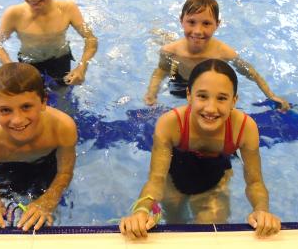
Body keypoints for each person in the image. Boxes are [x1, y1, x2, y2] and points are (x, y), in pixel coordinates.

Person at [120, 59, 281, 239]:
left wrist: (261, 211)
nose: (211, 108)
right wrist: (141, 211)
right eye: (202, 96)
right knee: (173, 228)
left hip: (215, 178)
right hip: (174, 178)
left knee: (212, 233)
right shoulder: (171, 124)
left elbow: (255, 183)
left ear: (234, 101)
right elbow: (156, 179)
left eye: (222, 98)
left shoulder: (244, 128)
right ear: (189, 95)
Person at [0, 63, 77, 231]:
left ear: (43, 102)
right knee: (5, 221)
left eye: (26, 107)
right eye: (5, 110)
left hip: (48, 161)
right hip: (8, 168)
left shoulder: (63, 128)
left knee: (49, 219)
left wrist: (48, 200)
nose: (17, 120)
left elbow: (65, 172)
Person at [144, 0, 289, 111]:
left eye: (206, 23)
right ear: (181, 21)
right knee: (176, 94)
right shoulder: (170, 51)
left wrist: (271, 95)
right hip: (180, 78)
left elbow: (251, 73)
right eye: (191, 22)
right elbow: (161, 70)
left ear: (217, 25)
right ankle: (162, 35)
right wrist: (152, 93)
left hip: (207, 84)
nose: (198, 31)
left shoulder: (224, 52)